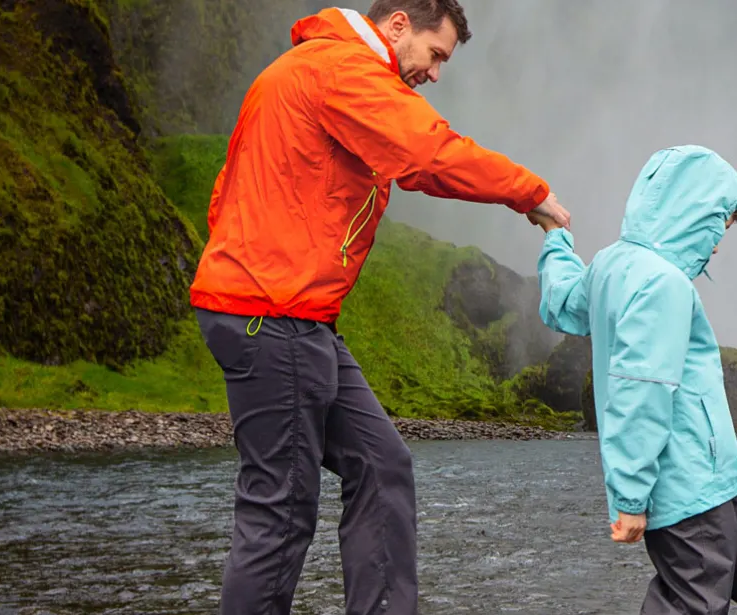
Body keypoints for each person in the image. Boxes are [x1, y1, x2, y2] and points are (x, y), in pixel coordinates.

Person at [186, 1, 569, 613]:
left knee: (382, 464)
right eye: (435, 54)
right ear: (397, 25)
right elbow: (426, 153)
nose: (436, 74)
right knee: (281, 509)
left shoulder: (305, 67)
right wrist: (531, 192)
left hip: (289, 314)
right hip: (273, 312)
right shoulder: (345, 69)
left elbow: (225, 195)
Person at [530, 145, 737, 615]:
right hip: (687, 491)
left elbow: (562, 302)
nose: (717, 244)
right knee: (693, 601)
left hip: (719, 482)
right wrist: (630, 499)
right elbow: (641, 391)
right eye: (719, 226)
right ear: (690, 213)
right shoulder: (662, 284)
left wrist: (555, 240)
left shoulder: (614, 263)